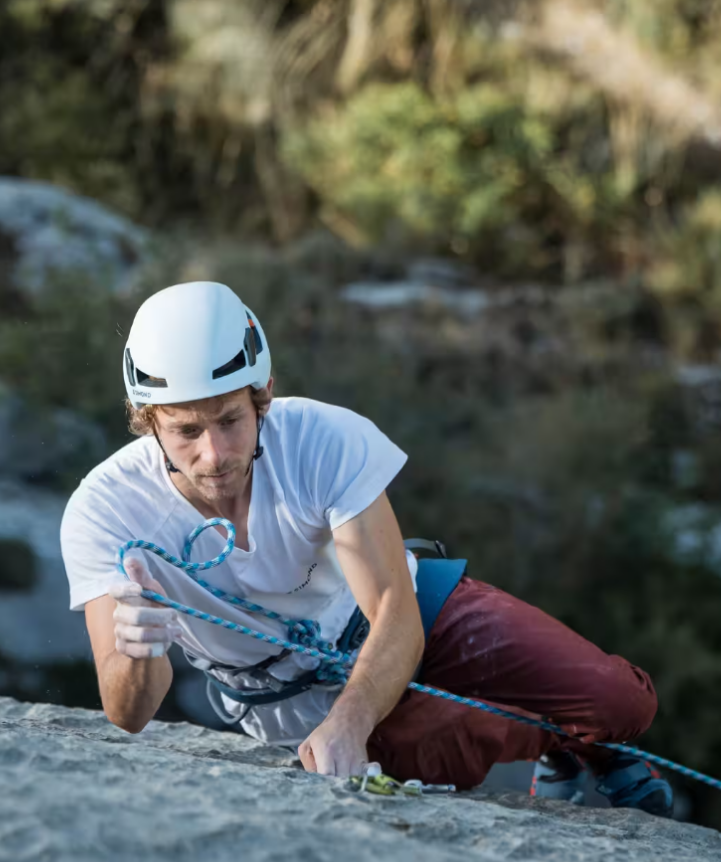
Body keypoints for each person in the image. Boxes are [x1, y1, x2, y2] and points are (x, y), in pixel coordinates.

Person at [61, 280, 673, 816]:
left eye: (229, 420)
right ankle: (561, 741)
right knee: (435, 747)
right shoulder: (107, 512)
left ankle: (583, 738)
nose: (214, 454)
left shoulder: (321, 439)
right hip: (294, 698)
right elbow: (127, 714)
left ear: (263, 392)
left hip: (414, 613)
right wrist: (138, 652)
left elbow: (393, 611)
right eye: (186, 431)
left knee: (622, 702)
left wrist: (351, 723)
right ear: (146, 419)